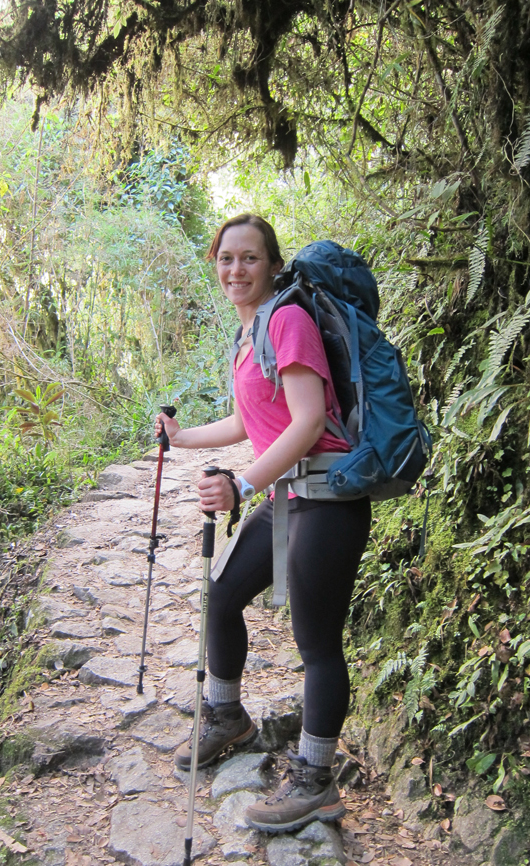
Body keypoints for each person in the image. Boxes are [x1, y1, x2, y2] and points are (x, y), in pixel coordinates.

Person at [155, 213, 371, 833]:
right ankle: (228, 716)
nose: (236, 270)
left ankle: (316, 780)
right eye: (226, 258)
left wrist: (242, 484)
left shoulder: (288, 320)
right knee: (222, 596)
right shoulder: (250, 336)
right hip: (288, 497)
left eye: (250, 258)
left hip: (326, 499)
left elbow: (305, 422)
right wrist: (184, 437)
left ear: (273, 265)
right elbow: (253, 421)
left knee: (316, 642)